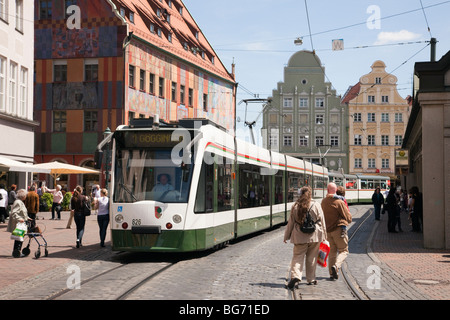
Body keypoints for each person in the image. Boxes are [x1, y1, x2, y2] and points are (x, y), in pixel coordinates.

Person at [284, 186, 327, 288]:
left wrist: (286, 236)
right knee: (312, 258)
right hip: (315, 235)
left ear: (300, 194)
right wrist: (324, 236)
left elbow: (291, 223)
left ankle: (296, 276)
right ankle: (311, 279)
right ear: (311, 194)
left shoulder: (295, 206)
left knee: (298, 256)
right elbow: (323, 221)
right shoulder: (316, 205)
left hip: (299, 236)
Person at [321, 182, 352, 280]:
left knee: (332, 253)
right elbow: (349, 218)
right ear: (336, 191)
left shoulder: (323, 201)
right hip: (338, 230)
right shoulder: (339, 202)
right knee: (344, 251)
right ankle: (336, 266)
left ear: (327, 190)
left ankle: (331, 274)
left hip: (328, 231)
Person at [7, 189, 30, 258]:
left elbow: (22, 212)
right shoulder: (18, 202)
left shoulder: (20, 202)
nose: (26, 196)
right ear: (23, 196)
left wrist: (27, 217)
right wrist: (19, 219)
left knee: (19, 238)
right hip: (19, 224)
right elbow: (14, 213)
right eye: (25, 195)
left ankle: (17, 251)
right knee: (18, 238)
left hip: (22, 223)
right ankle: (16, 251)